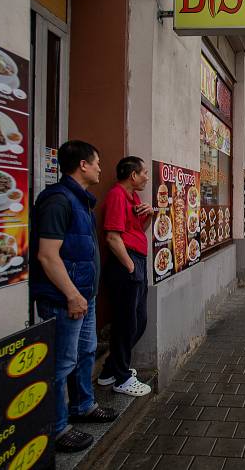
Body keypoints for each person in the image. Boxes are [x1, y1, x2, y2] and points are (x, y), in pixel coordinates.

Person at [30, 140, 118, 453]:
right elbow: (47, 256)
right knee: (61, 363)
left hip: (84, 296)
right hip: (65, 298)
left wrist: (85, 294)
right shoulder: (58, 200)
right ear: (82, 165)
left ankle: (84, 405)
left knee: (85, 353)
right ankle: (57, 427)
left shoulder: (80, 200)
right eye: (97, 163)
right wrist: (71, 295)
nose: (99, 168)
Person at [97, 156, 153, 397]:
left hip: (136, 260)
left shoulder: (134, 197)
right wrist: (130, 266)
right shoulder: (117, 195)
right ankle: (121, 378)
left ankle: (110, 369)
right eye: (144, 173)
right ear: (133, 175)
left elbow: (138, 230)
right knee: (127, 322)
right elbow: (112, 236)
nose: (147, 177)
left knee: (138, 320)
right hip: (126, 263)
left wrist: (150, 214)